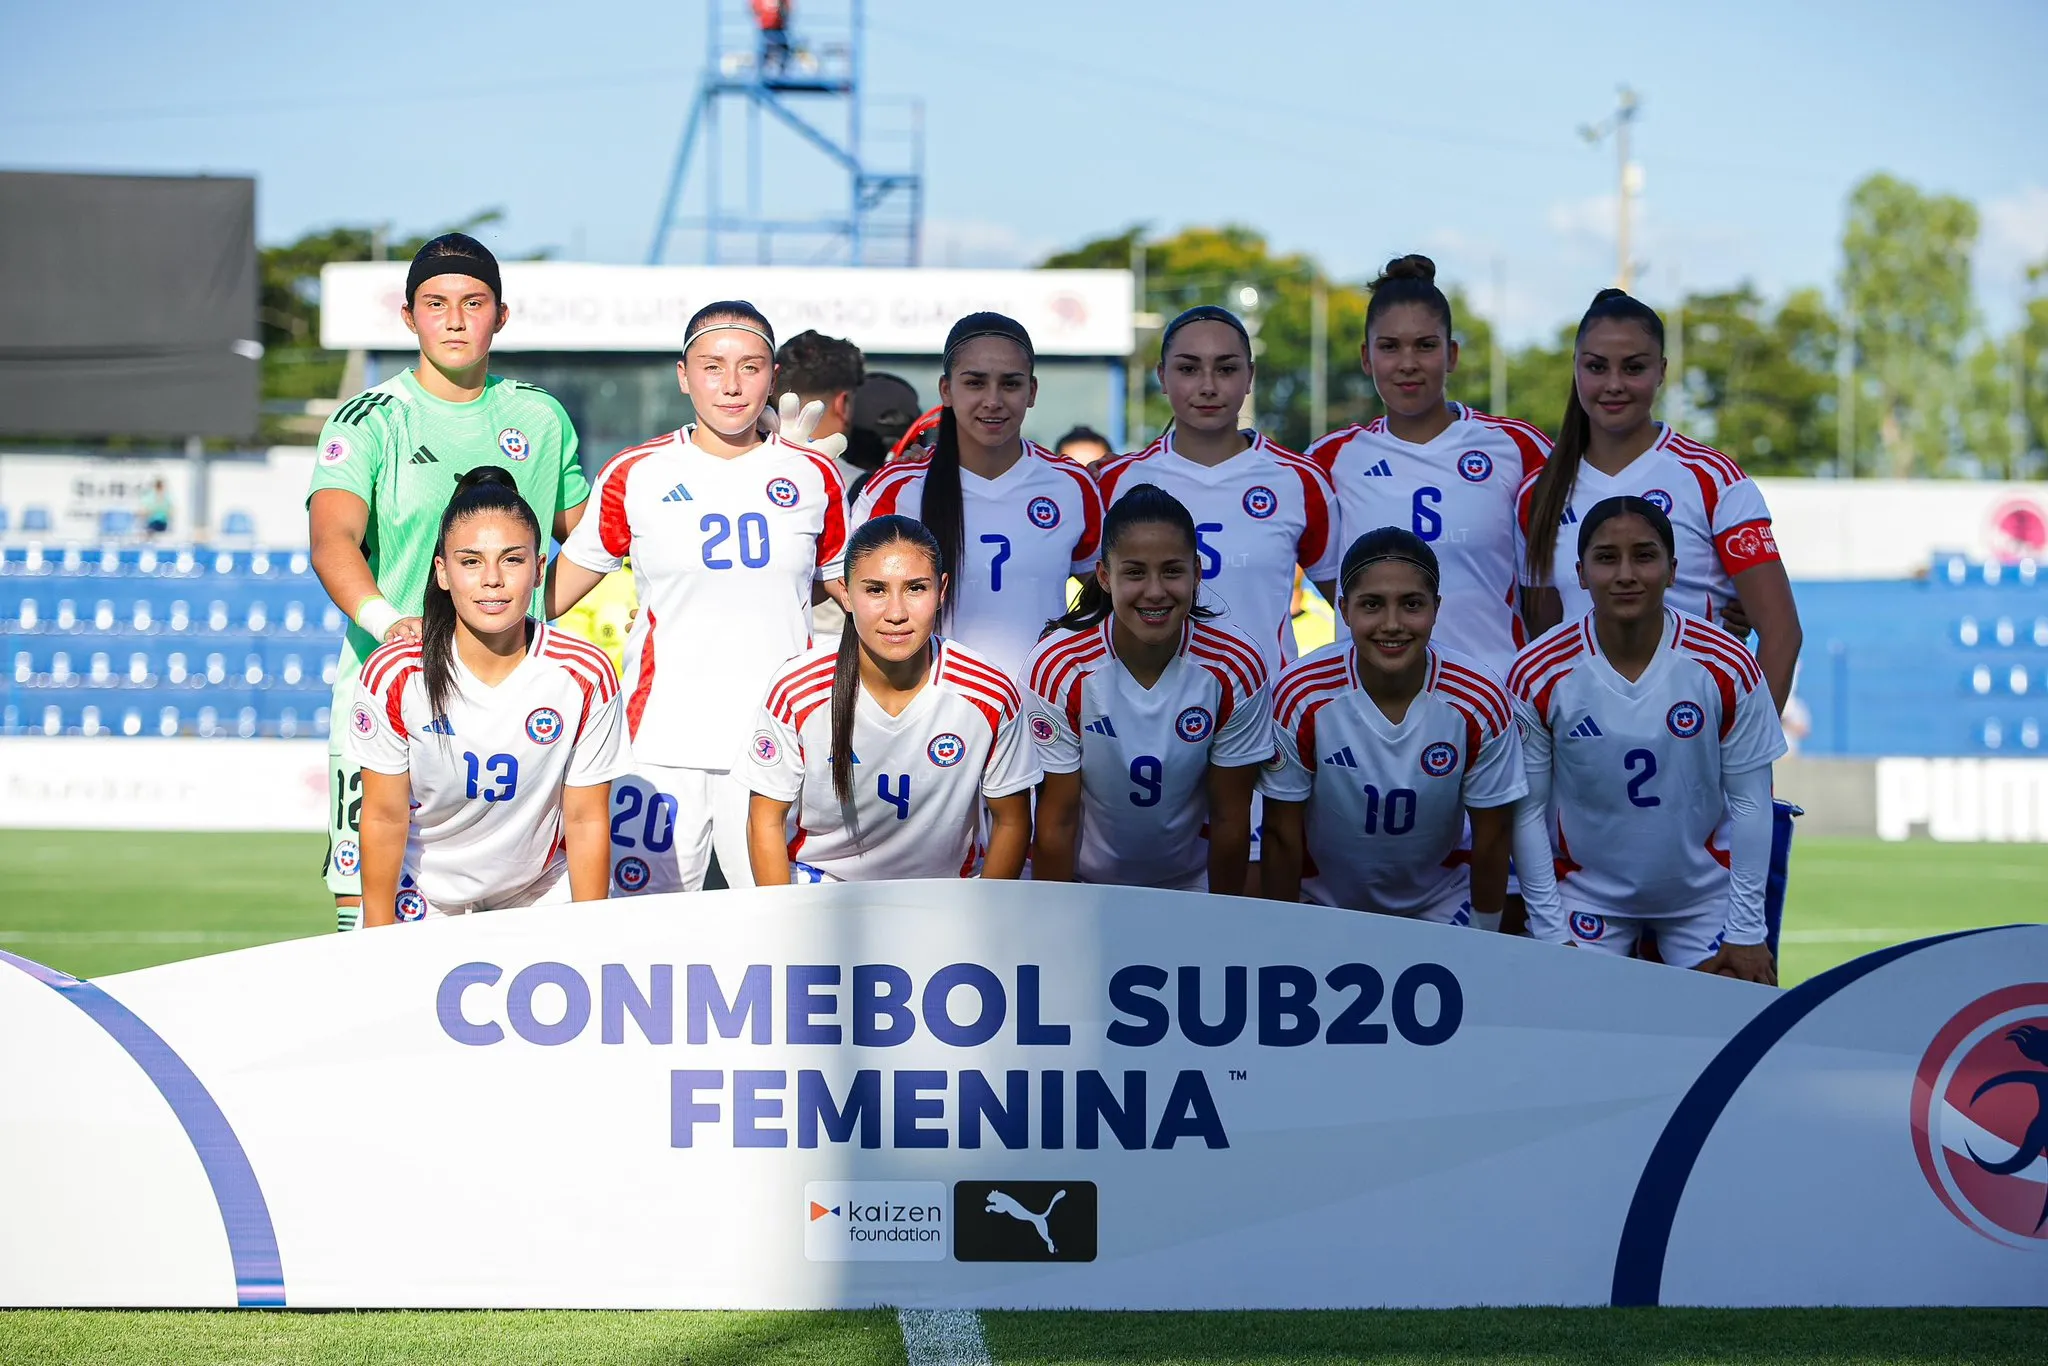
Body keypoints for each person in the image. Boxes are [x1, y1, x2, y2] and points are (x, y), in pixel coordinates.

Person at [308, 233, 589, 932]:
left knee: (525, 914)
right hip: (394, 699)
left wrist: (531, 622)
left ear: (502, 315)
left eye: (473, 303)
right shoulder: (370, 420)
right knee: (367, 916)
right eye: (436, 304)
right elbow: (331, 539)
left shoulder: (539, 416)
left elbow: (590, 542)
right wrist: (388, 623)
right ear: (409, 319)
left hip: (515, 708)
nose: (456, 320)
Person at [548, 299, 846, 898]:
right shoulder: (637, 472)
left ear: (773, 377)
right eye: (712, 366)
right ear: (684, 375)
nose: (732, 386)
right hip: (658, 745)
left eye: (751, 367)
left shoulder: (816, 476)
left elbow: (860, 593)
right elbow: (549, 596)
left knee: (780, 935)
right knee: (642, 932)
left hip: (775, 746)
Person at [1507, 496, 1787, 981]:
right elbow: (1527, 810)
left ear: (1672, 569)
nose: (1626, 574)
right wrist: (1551, 931)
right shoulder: (1538, 671)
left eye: (1644, 555)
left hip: (1703, 896)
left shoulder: (1725, 664)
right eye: (1606, 558)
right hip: (1587, 894)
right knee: (1577, 1036)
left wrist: (1745, 931)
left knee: (1724, 1037)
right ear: (1580, 571)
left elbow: (1752, 803)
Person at [349, 468, 622, 925]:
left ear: (539, 570)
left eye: (512, 560)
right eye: (471, 561)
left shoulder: (583, 672)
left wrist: (588, 936)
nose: (492, 579)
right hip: (423, 895)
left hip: (538, 891)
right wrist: (379, 937)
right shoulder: (396, 671)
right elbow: (384, 817)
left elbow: (585, 820)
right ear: (442, 572)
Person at [1518, 288, 1803, 712]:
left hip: (1692, 739)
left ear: (1662, 370)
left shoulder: (1712, 479)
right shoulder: (1539, 492)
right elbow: (1544, 642)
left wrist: (1741, 752)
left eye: (1633, 368)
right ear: (1576, 369)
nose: (1614, 384)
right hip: (1584, 750)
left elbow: (1781, 633)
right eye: (1597, 367)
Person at [745, 515, 1041, 884]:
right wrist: (788, 923)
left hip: (947, 898)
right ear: (846, 593)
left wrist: (985, 918)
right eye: (875, 590)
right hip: (822, 896)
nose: (897, 613)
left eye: (916, 588)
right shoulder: (797, 688)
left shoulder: (988, 692)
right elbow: (765, 819)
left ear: (942, 589)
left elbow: (1012, 820)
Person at [1260, 528, 1524, 926]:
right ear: (1344, 609)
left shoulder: (1478, 697)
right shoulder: (1301, 695)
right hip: (1325, 901)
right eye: (1372, 605)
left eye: (1411, 604)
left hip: (1443, 902)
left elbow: (1492, 836)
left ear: (1436, 607)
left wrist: (1485, 936)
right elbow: (1281, 833)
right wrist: (1283, 930)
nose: (1392, 624)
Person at [1306, 255, 1549, 681]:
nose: (1407, 363)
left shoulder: (1518, 447)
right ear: (1366, 357)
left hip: (1497, 694)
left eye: (1425, 345)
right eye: (1389, 346)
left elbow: (1547, 585)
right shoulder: (1328, 460)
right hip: (1369, 702)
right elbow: (1338, 589)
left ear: (1451, 354)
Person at [1026, 483, 1272, 894]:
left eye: (1172, 571)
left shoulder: (1235, 664)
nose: (1155, 591)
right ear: (1104, 577)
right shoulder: (1059, 665)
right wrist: (1056, 920)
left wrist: (1225, 921)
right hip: (1085, 885)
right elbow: (1057, 819)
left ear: (1197, 572)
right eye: (1135, 572)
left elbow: (1231, 817)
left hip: (1190, 886)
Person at [846, 313, 1103, 682]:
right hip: (932, 717)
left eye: (1010, 384)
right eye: (975, 383)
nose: (993, 400)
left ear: (1031, 391)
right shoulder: (896, 488)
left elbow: (1105, 598)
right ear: (946, 390)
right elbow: (858, 603)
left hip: (1045, 716)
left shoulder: (1071, 484)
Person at [1094, 306, 1340, 673]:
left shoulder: (1299, 479)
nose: (1208, 386)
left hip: (1266, 713)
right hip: (1148, 714)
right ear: (1162, 376)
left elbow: (1352, 603)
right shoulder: (1115, 481)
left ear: (1250, 376)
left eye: (1226, 369)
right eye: (1188, 369)